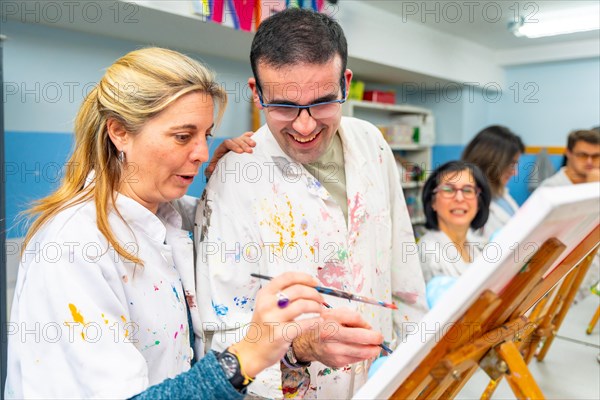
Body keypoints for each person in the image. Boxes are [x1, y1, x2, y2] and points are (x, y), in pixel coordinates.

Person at [4, 47, 327, 399]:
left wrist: (227, 180)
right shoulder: (74, 245)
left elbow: (220, 222)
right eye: (183, 136)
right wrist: (247, 356)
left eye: (206, 134)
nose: (202, 152)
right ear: (119, 132)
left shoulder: (169, 215)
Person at [195, 8, 427, 399]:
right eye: (284, 106)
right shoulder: (235, 176)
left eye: (322, 102)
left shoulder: (371, 143)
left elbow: (402, 268)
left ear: (345, 84)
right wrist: (299, 348)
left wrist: (418, 359)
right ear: (256, 93)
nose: (304, 126)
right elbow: (220, 329)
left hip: (381, 380)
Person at [539, 128, 600, 304]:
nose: (589, 162)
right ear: (569, 153)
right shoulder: (551, 190)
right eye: (582, 155)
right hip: (559, 280)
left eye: (596, 156)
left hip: (591, 277)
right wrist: (592, 191)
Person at [419, 161, 491, 282]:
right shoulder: (429, 254)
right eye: (448, 190)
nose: (459, 198)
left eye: (468, 190)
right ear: (433, 202)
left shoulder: (478, 247)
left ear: (479, 202)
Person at [462, 125, 525, 244]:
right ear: (492, 161)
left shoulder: (501, 195)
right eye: (511, 164)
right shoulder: (466, 201)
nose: (515, 172)